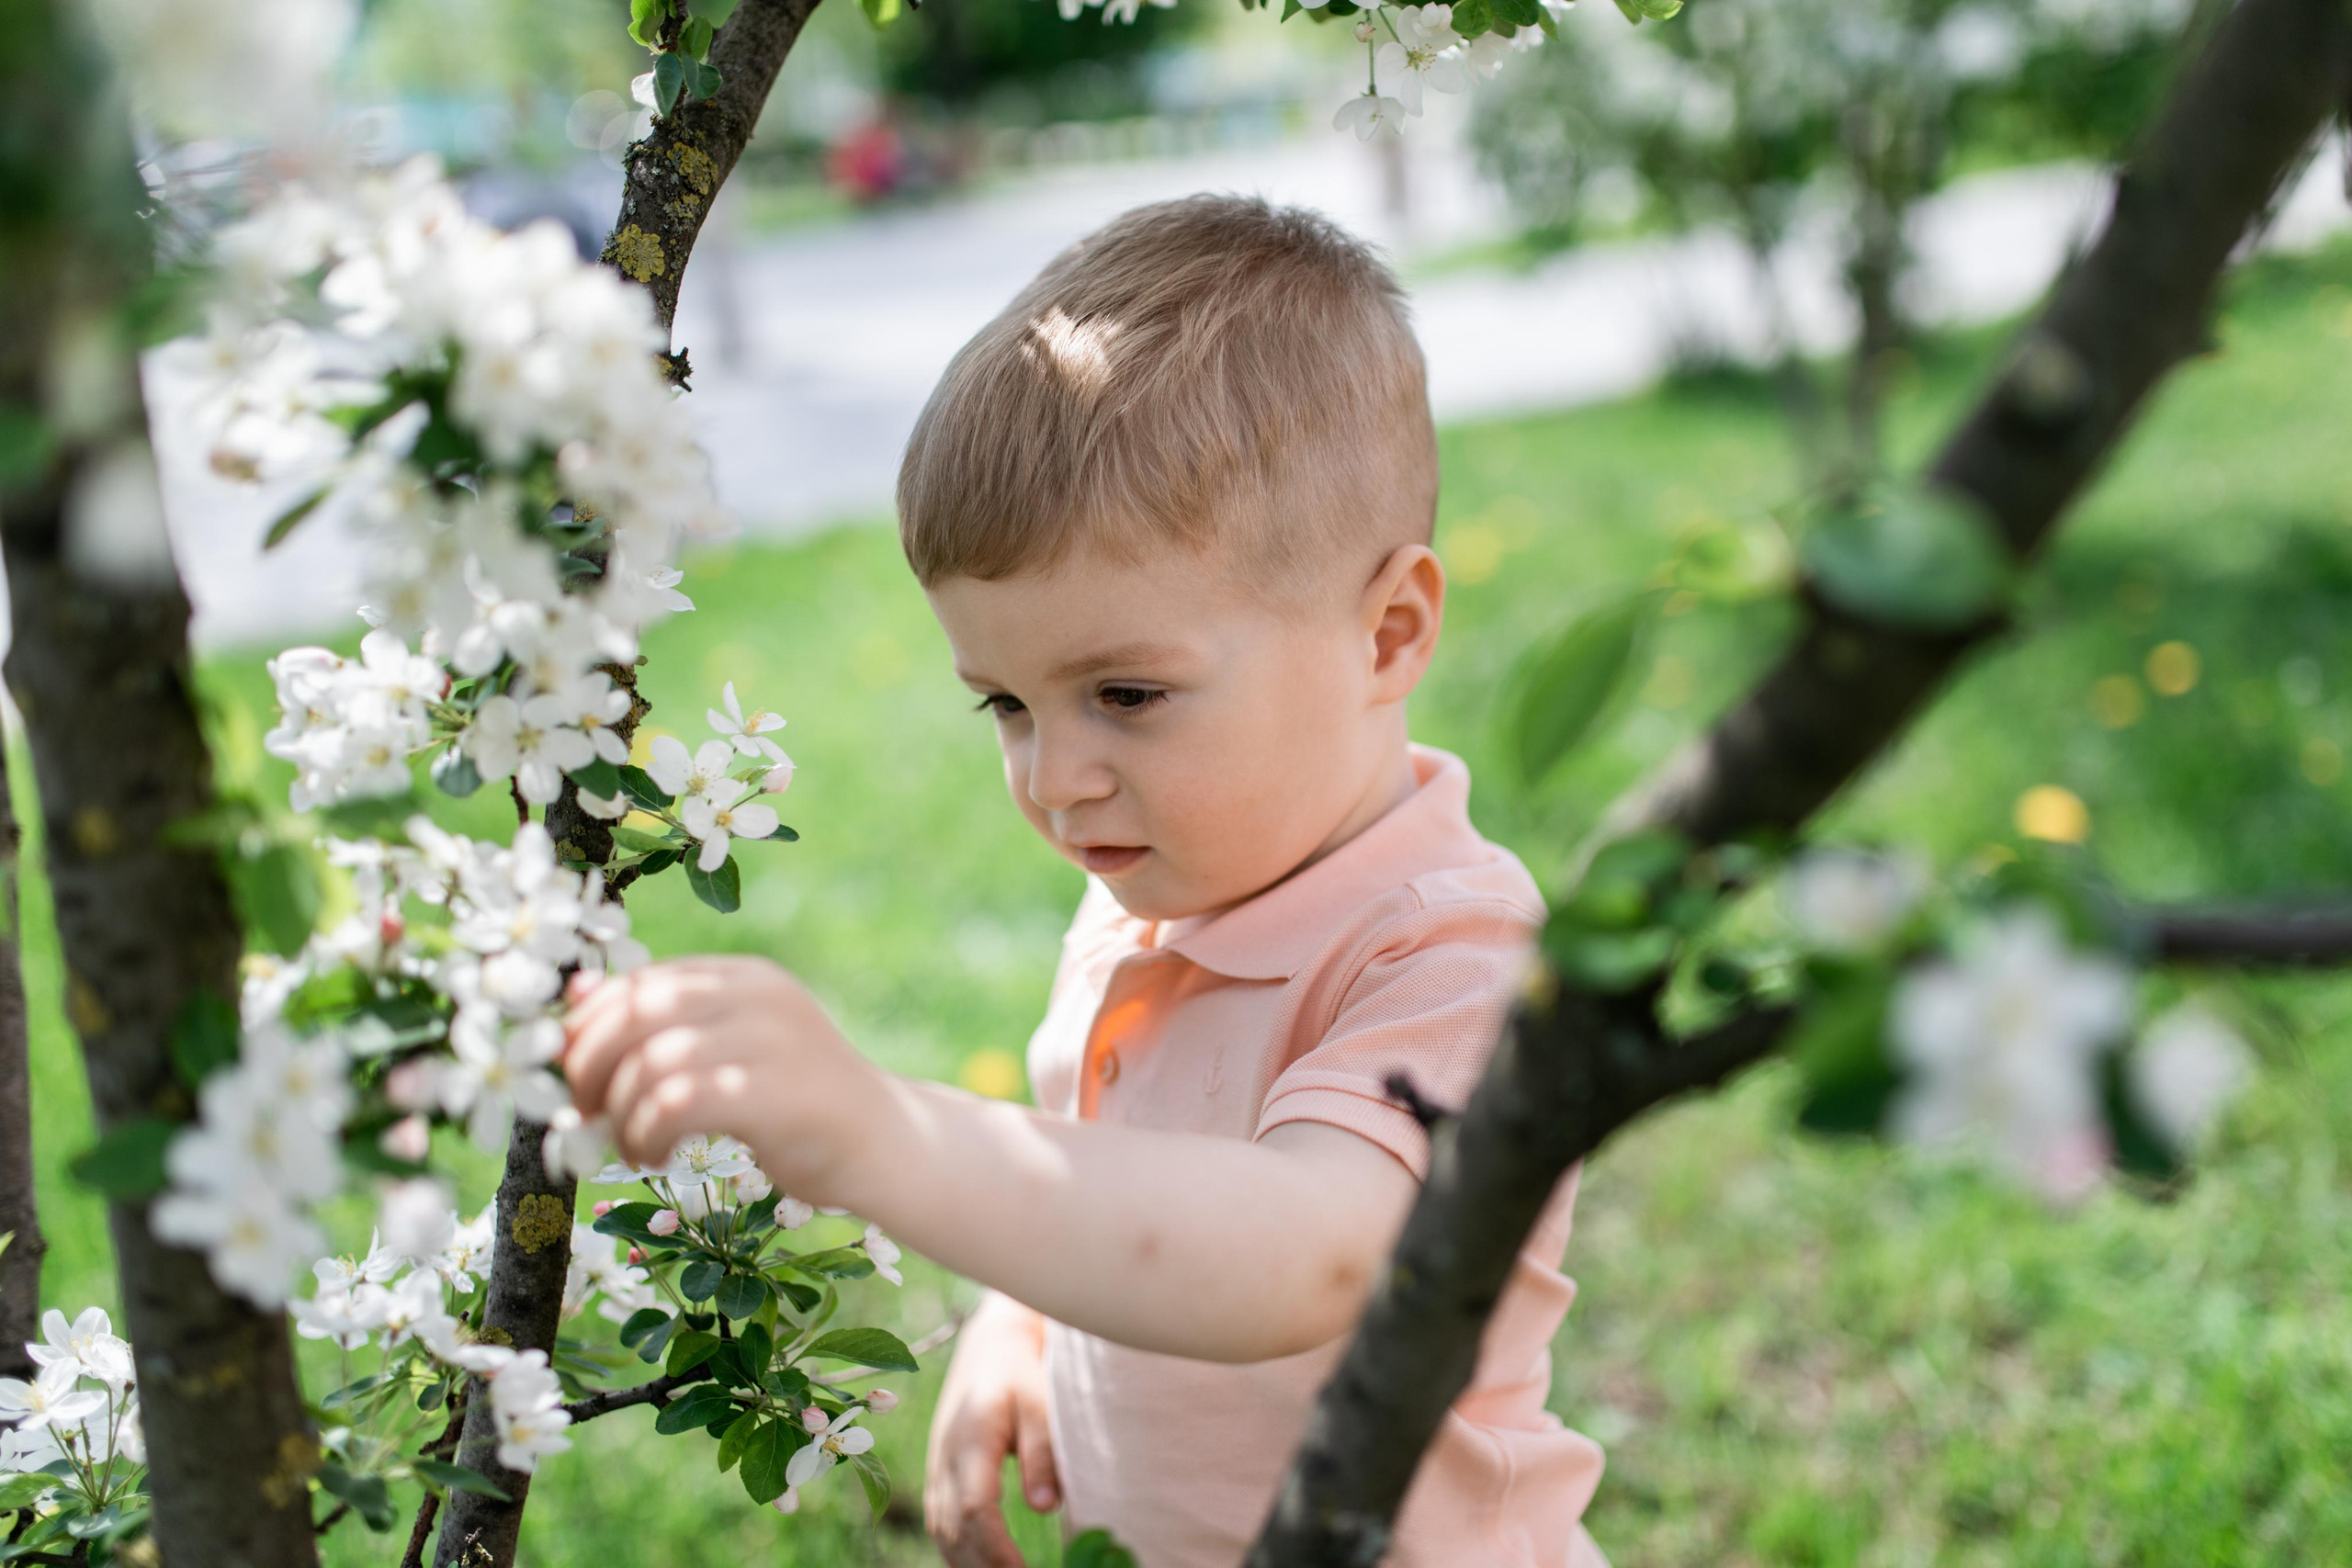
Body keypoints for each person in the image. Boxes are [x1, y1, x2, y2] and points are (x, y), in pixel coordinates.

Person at [561, 195, 1606, 1568]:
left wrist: (889, 1137)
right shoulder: (1144, 898)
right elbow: (1109, 1170)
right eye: (1003, 703)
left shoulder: (1453, 955)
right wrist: (1021, 1325)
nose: (1055, 778)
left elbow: (1313, 1253)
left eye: (1126, 694)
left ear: (1388, 635)